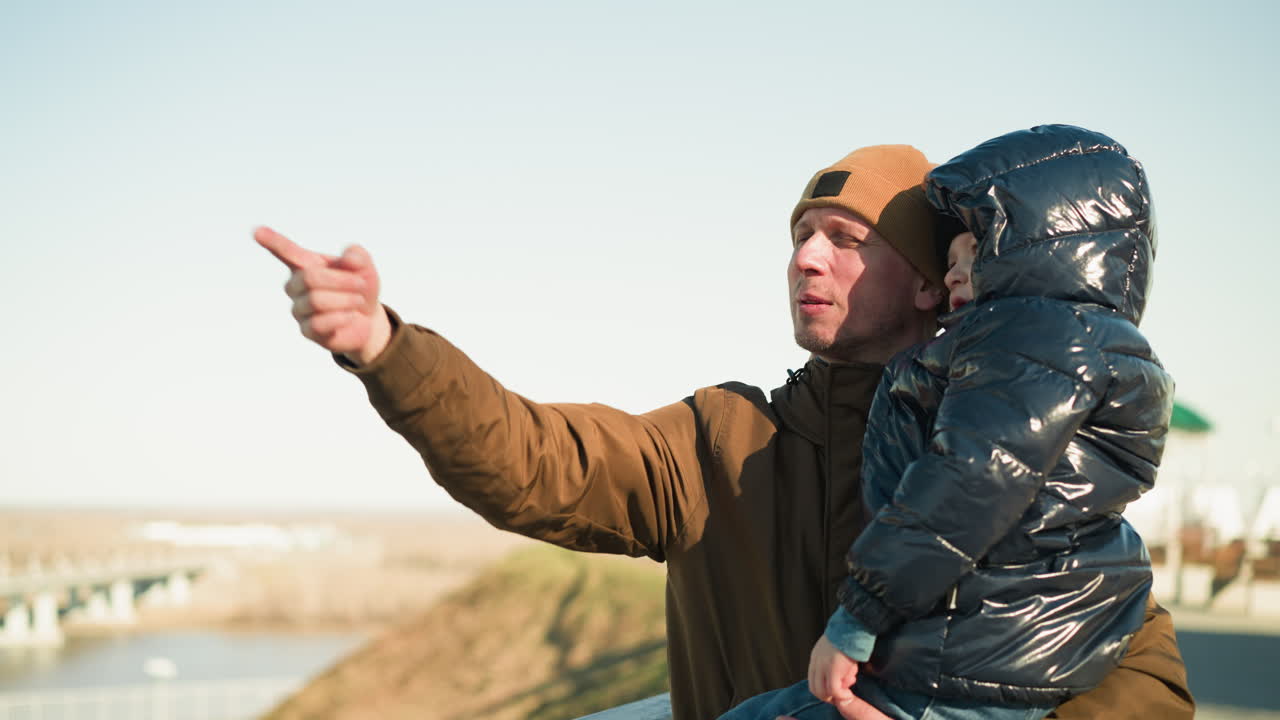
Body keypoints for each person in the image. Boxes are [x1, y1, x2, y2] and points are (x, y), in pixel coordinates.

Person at [256, 140, 1194, 720]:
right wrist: (384, 347)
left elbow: (1145, 673)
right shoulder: (722, 439)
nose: (806, 257)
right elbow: (533, 460)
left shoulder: (1015, 444)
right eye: (800, 235)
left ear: (927, 280)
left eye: (845, 239)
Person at [721, 125, 1173, 720]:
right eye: (949, 260)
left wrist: (856, 620)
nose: (953, 274)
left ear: (1039, 254)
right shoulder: (1075, 350)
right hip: (996, 653)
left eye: (974, 256)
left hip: (960, 660)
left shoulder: (1031, 342)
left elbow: (966, 483)